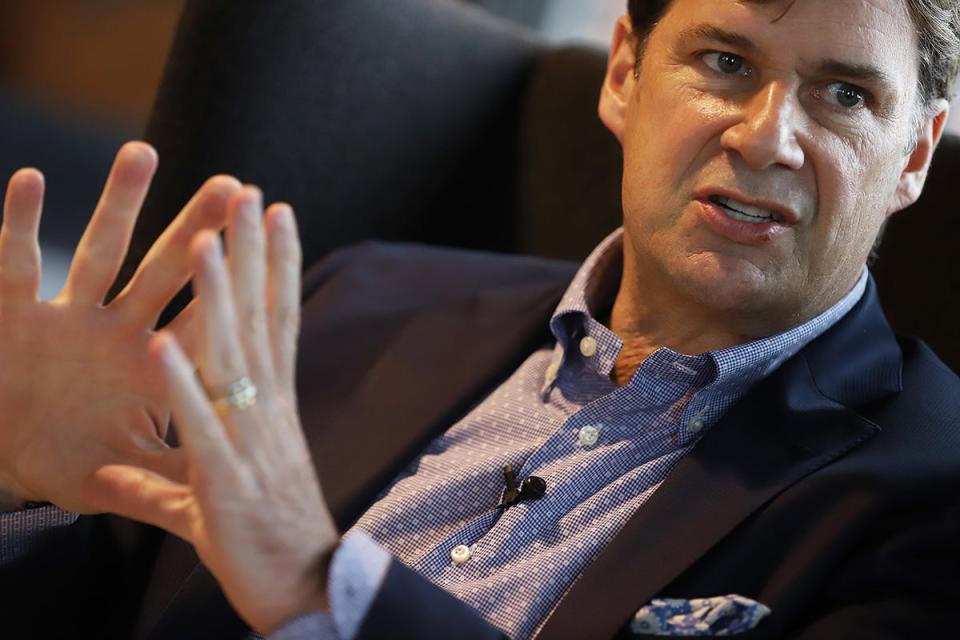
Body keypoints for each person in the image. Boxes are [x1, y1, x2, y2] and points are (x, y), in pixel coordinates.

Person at [2, 0, 960, 638]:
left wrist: (320, 588)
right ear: (625, 73)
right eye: (723, 62)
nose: (766, 136)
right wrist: (22, 480)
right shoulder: (359, 299)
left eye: (844, 94)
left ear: (914, 153)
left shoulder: (931, 499)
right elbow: (113, 591)